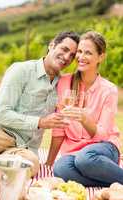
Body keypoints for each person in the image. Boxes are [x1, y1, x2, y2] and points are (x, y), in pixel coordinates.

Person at [0, 31, 79, 176]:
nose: (67, 57)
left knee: (31, 166)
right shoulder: (21, 70)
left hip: (24, 148)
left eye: (72, 55)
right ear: (51, 45)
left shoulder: (62, 85)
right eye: (64, 49)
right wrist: (40, 122)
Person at [46, 31, 123, 187]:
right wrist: (49, 163)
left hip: (104, 148)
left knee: (85, 159)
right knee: (60, 169)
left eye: (88, 53)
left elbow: (102, 135)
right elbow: (59, 129)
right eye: (79, 52)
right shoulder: (64, 83)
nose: (81, 57)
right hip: (74, 152)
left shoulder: (109, 90)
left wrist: (84, 119)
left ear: (100, 57)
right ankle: (111, 182)